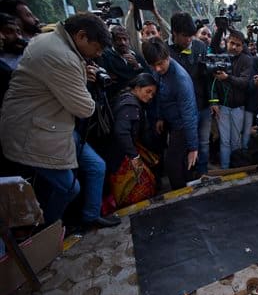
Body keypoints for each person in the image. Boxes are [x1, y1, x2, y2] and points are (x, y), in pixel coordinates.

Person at [0, 13, 119, 227]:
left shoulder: (55, 44)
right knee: (68, 187)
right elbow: (84, 108)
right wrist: (84, 79)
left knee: (96, 166)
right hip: (34, 133)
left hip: (55, 126)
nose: (98, 55)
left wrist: (81, 75)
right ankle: (47, 230)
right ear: (82, 37)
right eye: (98, 48)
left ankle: (90, 217)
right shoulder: (61, 56)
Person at [142, 37, 198, 189]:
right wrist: (160, 117)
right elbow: (160, 94)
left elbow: (189, 114)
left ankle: (179, 196)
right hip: (170, 121)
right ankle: (186, 188)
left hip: (182, 125)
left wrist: (193, 147)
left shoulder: (180, 80)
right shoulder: (158, 70)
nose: (158, 69)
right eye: (153, 65)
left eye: (160, 64)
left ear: (167, 57)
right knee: (179, 162)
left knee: (172, 164)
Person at [106, 73, 158, 208]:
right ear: (137, 87)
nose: (150, 96)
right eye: (148, 91)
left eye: (152, 94)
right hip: (119, 154)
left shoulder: (124, 96)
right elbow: (122, 131)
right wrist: (134, 156)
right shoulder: (131, 105)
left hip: (116, 151)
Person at [168, 12, 210, 175]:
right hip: (181, 111)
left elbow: (208, 78)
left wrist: (213, 102)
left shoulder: (200, 47)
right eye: (185, 36)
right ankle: (187, 176)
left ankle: (203, 174)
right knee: (185, 145)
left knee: (204, 143)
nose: (189, 40)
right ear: (174, 34)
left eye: (192, 36)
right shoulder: (165, 51)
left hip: (203, 106)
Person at [210, 29, 252, 168]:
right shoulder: (220, 57)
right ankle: (225, 168)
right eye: (232, 43)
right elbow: (213, 83)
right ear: (227, 42)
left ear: (242, 46)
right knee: (225, 141)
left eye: (238, 45)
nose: (234, 47)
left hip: (238, 108)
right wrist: (214, 102)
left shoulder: (246, 60)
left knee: (235, 141)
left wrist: (227, 77)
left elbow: (244, 82)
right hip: (222, 107)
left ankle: (235, 169)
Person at [100, 25, 148, 102]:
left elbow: (148, 76)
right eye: (118, 39)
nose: (123, 42)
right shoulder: (106, 56)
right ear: (113, 41)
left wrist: (137, 66)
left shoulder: (137, 57)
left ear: (129, 40)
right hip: (116, 100)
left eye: (125, 39)